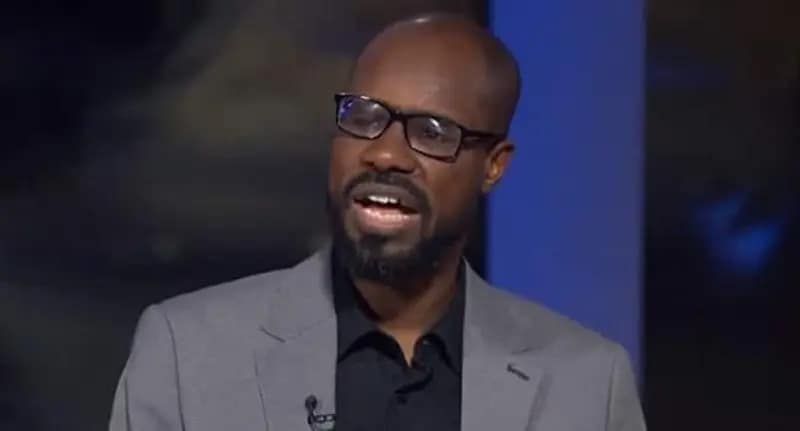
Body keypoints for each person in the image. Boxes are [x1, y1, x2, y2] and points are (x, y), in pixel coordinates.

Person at [109, 13, 646, 431]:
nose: (385, 154)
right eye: (365, 117)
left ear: (494, 166)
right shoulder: (186, 356)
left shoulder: (587, 384)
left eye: (432, 132)